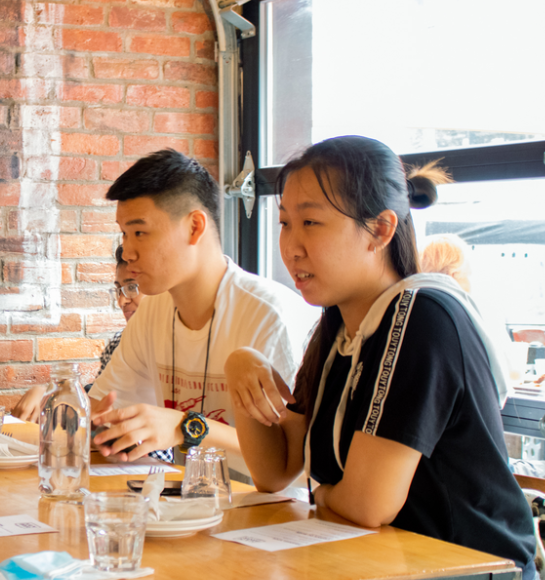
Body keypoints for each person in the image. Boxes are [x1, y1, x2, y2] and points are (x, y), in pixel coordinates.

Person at [225, 135, 536, 578]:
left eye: (311, 223)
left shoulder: (420, 317)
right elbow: (275, 472)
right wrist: (241, 364)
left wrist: (326, 494)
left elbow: (368, 506)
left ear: (381, 229)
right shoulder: (341, 329)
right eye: (284, 223)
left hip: (468, 568)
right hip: (382, 565)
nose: (291, 246)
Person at [88, 149, 319, 471]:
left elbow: (294, 456)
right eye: (124, 234)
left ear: (195, 227)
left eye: (140, 232)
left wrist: (186, 426)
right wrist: (61, 402)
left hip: (269, 509)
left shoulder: (269, 316)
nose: (127, 252)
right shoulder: (152, 312)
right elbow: (99, 412)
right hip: (189, 505)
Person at [12, 246, 144, 422]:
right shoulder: (119, 343)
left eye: (132, 287)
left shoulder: (178, 346)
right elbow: (97, 399)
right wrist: (49, 395)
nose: (121, 301)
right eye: (119, 290)